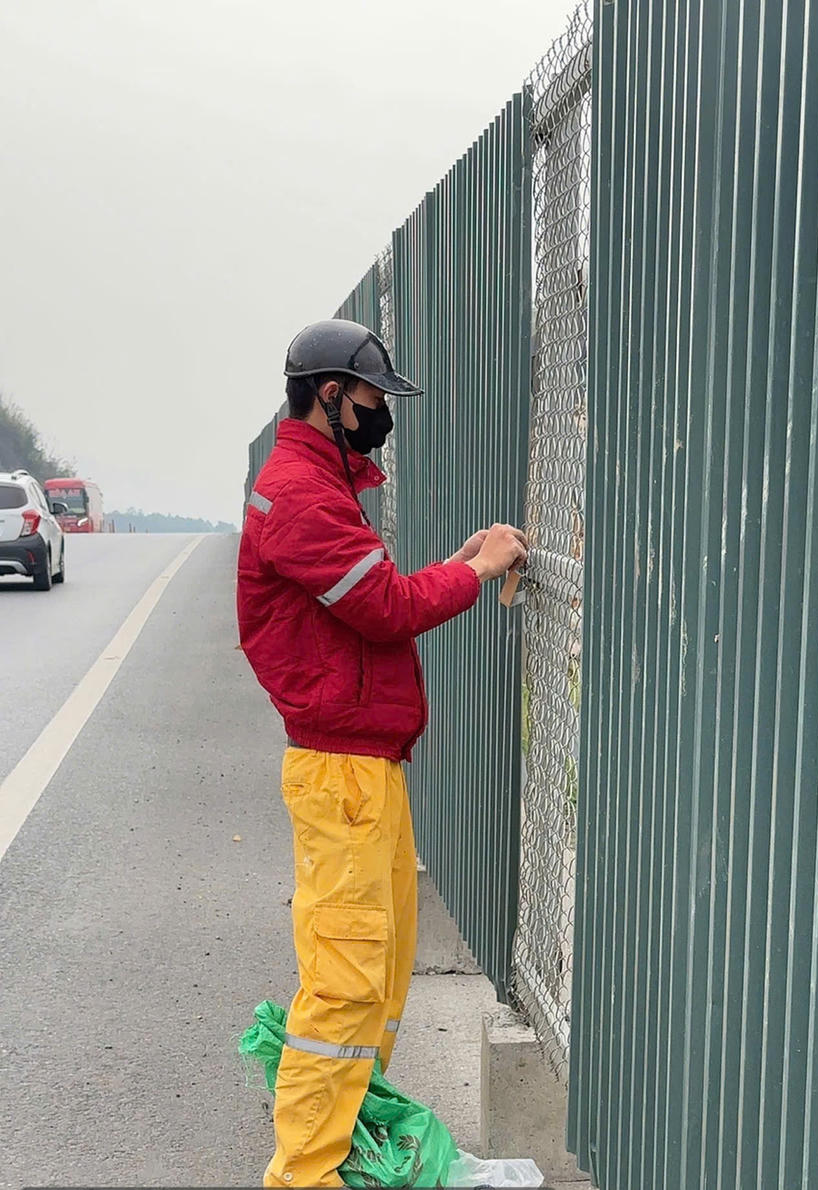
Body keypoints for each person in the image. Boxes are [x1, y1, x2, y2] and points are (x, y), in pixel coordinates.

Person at [236, 318, 527, 1188]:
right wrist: (476, 573)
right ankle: (306, 1175)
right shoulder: (300, 495)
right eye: (370, 398)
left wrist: (457, 562)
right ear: (331, 395)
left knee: (378, 969)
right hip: (342, 773)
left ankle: (346, 1145)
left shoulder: (319, 487)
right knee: (347, 983)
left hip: (362, 767)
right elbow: (388, 611)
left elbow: (371, 598)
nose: (379, 413)